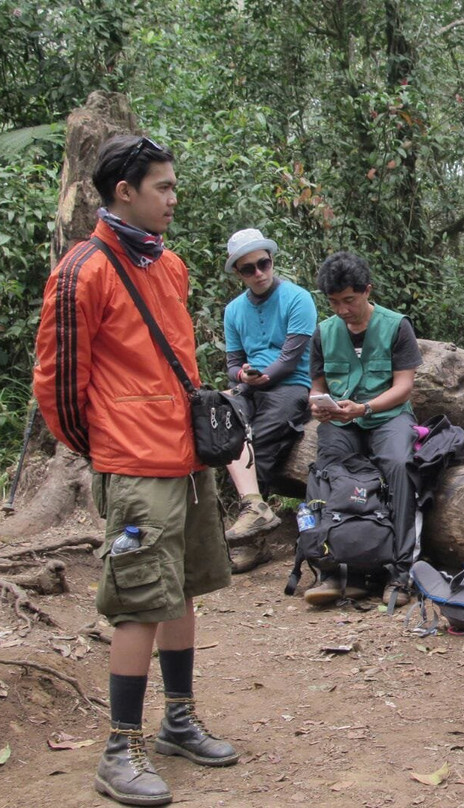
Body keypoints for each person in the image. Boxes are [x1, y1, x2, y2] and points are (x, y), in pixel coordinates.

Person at [33, 135, 237, 807]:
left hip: (183, 458)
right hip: (134, 464)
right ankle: (120, 748)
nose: (174, 199)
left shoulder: (167, 265)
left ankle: (178, 720)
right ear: (126, 192)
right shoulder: (82, 269)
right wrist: (110, 447)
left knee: (179, 592)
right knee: (138, 602)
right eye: (164, 188)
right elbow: (59, 385)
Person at [305, 251, 423, 608]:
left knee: (400, 466)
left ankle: (400, 573)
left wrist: (367, 407)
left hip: (387, 416)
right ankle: (333, 568)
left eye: (349, 300)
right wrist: (318, 404)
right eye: (334, 302)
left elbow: (404, 386)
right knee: (328, 466)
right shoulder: (323, 333)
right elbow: (316, 385)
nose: (342, 309)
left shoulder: (396, 325)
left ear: (367, 290)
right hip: (342, 420)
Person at [221, 228, 317, 572]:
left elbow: (292, 358)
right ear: (239, 273)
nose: (259, 273)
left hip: (291, 385)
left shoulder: (297, 298)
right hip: (251, 387)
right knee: (220, 423)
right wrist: (242, 377)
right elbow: (232, 364)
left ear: (272, 260)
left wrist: (262, 378)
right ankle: (253, 518)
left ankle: (252, 540)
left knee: (258, 440)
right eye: (249, 269)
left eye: (263, 263)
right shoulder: (233, 311)